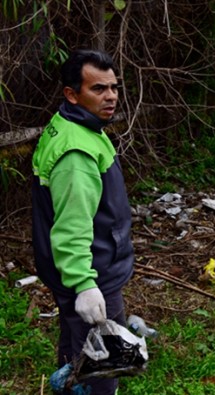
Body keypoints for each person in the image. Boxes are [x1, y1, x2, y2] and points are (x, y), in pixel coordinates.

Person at [32, 49, 134, 394]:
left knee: (75, 339)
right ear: (72, 94)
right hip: (94, 272)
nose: (110, 97)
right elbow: (72, 226)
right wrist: (84, 285)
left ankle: (70, 379)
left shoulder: (74, 124)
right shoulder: (76, 155)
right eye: (98, 89)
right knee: (103, 363)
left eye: (114, 87)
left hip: (90, 265)